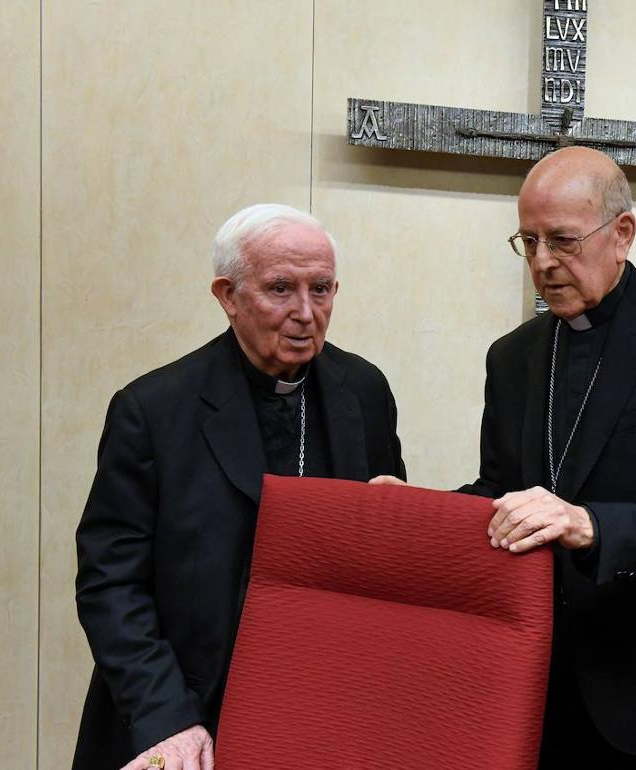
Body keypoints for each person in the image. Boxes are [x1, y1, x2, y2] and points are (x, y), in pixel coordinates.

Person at [375, 147, 636, 769]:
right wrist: (420, 511)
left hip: (634, 682)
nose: (544, 263)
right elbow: (499, 491)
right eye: (528, 241)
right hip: (518, 679)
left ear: (622, 234)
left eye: (563, 241)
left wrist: (592, 525)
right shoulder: (512, 356)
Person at [74, 204, 406, 770]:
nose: (306, 313)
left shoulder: (364, 391)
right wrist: (167, 719)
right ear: (228, 296)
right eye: (281, 289)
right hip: (186, 707)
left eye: (321, 289)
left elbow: (379, 549)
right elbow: (111, 584)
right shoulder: (153, 410)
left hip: (319, 705)